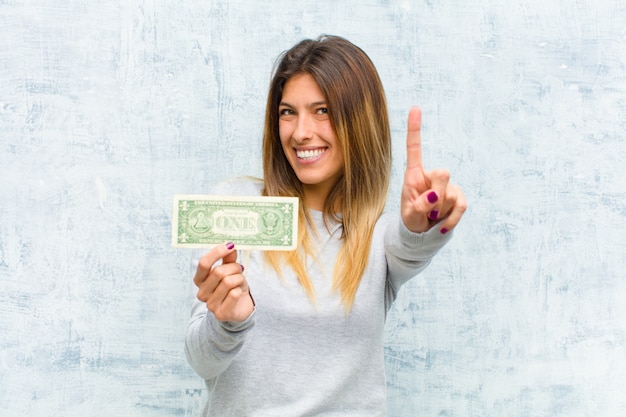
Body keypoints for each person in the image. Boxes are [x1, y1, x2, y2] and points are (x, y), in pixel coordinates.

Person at [185, 35, 466, 416]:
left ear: (358, 121)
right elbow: (202, 362)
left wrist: (423, 225)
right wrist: (226, 323)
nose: (300, 132)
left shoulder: (377, 237)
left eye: (322, 111)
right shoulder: (235, 208)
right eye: (288, 112)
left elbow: (410, 246)